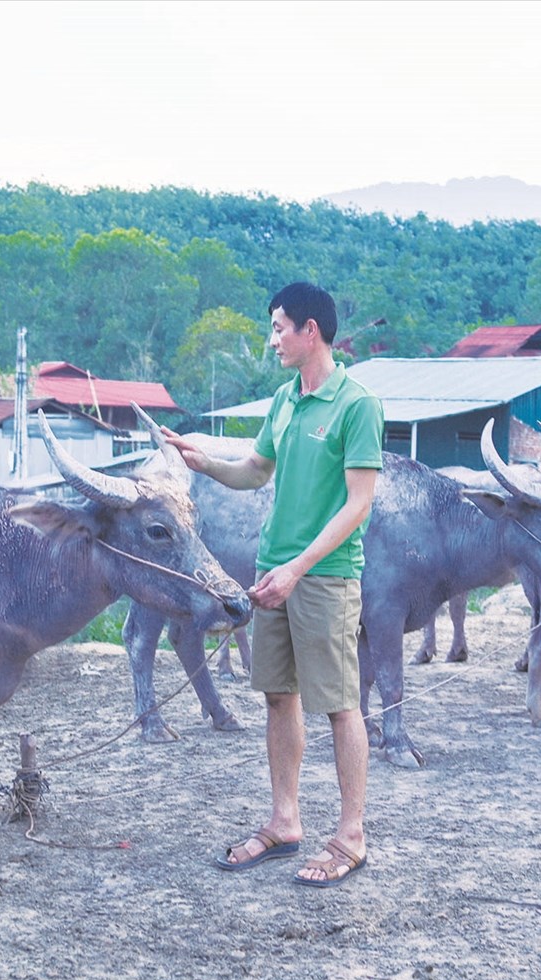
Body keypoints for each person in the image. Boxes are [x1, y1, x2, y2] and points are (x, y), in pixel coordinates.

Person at [163, 282, 383, 886]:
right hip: (274, 573)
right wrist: (204, 461)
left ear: (311, 331)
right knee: (278, 697)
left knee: (340, 705)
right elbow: (256, 470)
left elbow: (358, 505)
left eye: (279, 328)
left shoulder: (357, 405)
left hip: (325, 577)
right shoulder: (286, 400)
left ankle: (351, 837)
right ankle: (286, 822)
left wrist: (298, 569)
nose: (273, 340)